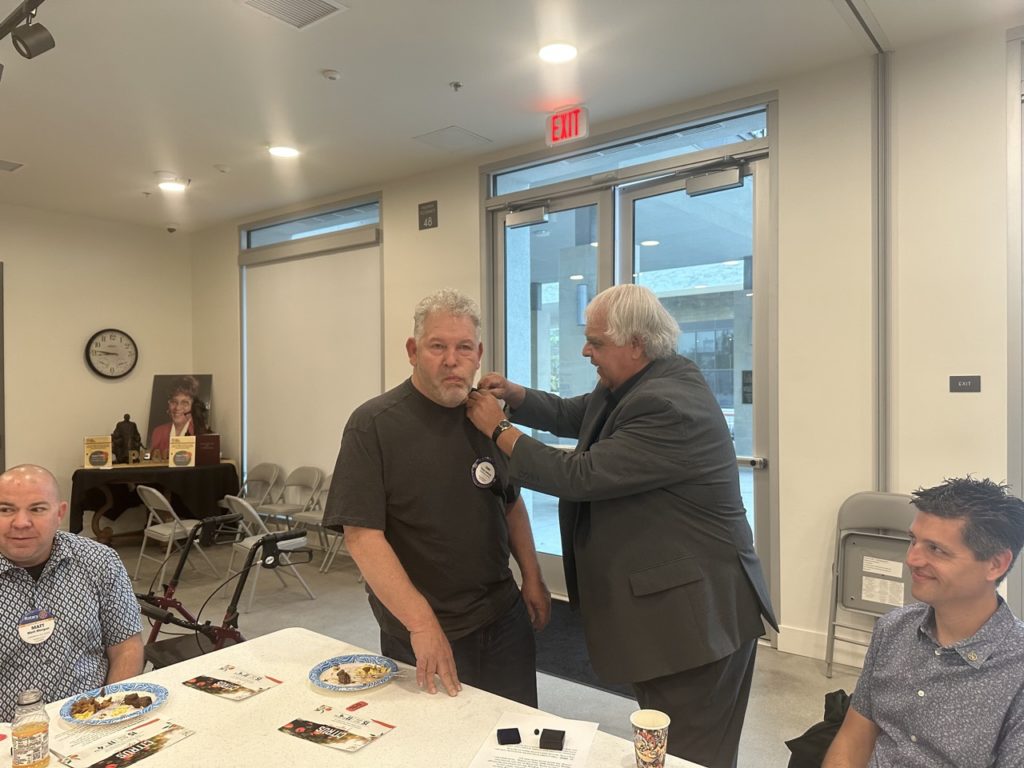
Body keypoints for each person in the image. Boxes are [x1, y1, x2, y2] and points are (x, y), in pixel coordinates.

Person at [466, 283, 776, 768]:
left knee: (691, 755)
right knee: (663, 744)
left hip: (696, 623)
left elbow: (579, 476)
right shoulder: (640, 381)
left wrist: (500, 429)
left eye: (596, 342)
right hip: (667, 617)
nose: (585, 351)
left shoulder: (668, 405)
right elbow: (576, 414)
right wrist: (518, 396)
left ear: (636, 343)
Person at [323, 288, 551, 706]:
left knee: (515, 731)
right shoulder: (373, 425)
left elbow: (511, 503)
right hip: (422, 629)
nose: (451, 360)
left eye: (463, 347)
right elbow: (362, 536)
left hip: (502, 618)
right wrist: (421, 624)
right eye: (437, 346)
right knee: (440, 738)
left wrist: (533, 577)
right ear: (413, 351)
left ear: (478, 354)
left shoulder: (488, 418)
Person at [823, 477, 1024, 767]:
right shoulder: (893, 628)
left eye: (936, 549)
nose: (912, 559)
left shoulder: (1016, 669)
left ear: (995, 564)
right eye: (913, 540)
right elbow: (855, 736)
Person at [0, 464, 143, 720]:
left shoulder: (99, 561)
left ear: (60, 513)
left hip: (91, 721)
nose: (21, 523)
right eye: (6, 509)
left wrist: (110, 714)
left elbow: (126, 647)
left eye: (37, 509)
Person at [149, 375, 207, 455]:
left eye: (185, 403)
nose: (178, 408)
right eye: (174, 402)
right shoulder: (158, 432)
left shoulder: (201, 432)